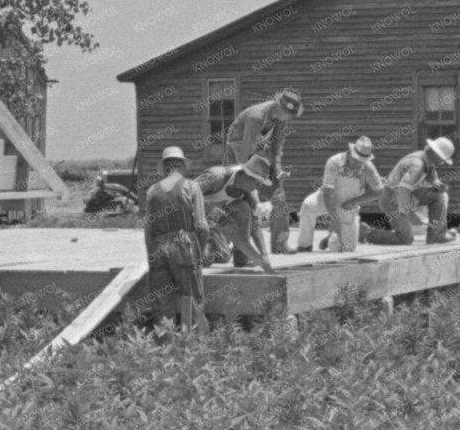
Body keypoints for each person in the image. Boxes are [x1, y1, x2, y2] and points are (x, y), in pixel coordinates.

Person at [226, 88, 303, 254]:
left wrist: (277, 172)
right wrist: (253, 181)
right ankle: (225, 247)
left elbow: (277, 148)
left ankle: (280, 243)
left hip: (259, 153)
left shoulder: (281, 119)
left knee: (278, 196)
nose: (290, 117)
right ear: (278, 107)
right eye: (288, 113)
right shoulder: (256, 117)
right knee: (238, 200)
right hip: (237, 154)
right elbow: (246, 153)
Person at [142, 147, 209, 330]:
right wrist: (199, 252)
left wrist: (152, 255)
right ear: (181, 166)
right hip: (184, 246)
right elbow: (202, 226)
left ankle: (167, 347)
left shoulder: (152, 190)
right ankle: (196, 346)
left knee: (162, 307)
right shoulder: (191, 186)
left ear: (165, 168)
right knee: (193, 301)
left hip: (158, 246)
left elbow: (148, 228)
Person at [295, 135, 383, 253]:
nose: (358, 163)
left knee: (347, 248)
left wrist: (355, 201)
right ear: (350, 153)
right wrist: (335, 219)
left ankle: (329, 237)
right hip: (328, 199)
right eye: (356, 159)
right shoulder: (334, 162)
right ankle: (305, 244)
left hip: (348, 205)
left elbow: (379, 191)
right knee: (308, 205)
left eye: (361, 161)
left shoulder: (368, 167)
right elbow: (328, 193)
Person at [364, 136, 455, 245]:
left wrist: (436, 183)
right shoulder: (417, 165)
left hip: (404, 195)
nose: (442, 163)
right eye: (441, 159)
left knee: (439, 196)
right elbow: (403, 189)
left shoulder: (426, 158)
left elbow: (431, 173)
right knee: (405, 239)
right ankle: (366, 233)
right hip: (392, 200)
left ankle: (436, 236)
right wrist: (409, 214)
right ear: (435, 154)